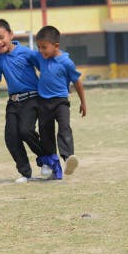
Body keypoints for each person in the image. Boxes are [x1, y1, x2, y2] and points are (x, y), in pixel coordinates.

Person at [0, 19, 45, 183]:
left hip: (32, 99)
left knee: (26, 131)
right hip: (13, 103)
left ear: (11, 35)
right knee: (11, 137)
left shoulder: (27, 53)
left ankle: (45, 159)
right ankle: (25, 173)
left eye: (1, 37)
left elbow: (44, 66)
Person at [34, 25, 86, 179]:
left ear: (56, 46)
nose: (41, 51)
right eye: (39, 47)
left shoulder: (66, 62)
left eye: (44, 47)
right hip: (43, 102)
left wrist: (83, 102)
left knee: (64, 128)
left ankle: (68, 157)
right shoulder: (40, 57)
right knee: (45, 131)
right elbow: (26, 55)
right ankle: (52, 161)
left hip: (61, 101)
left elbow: (77, 83)